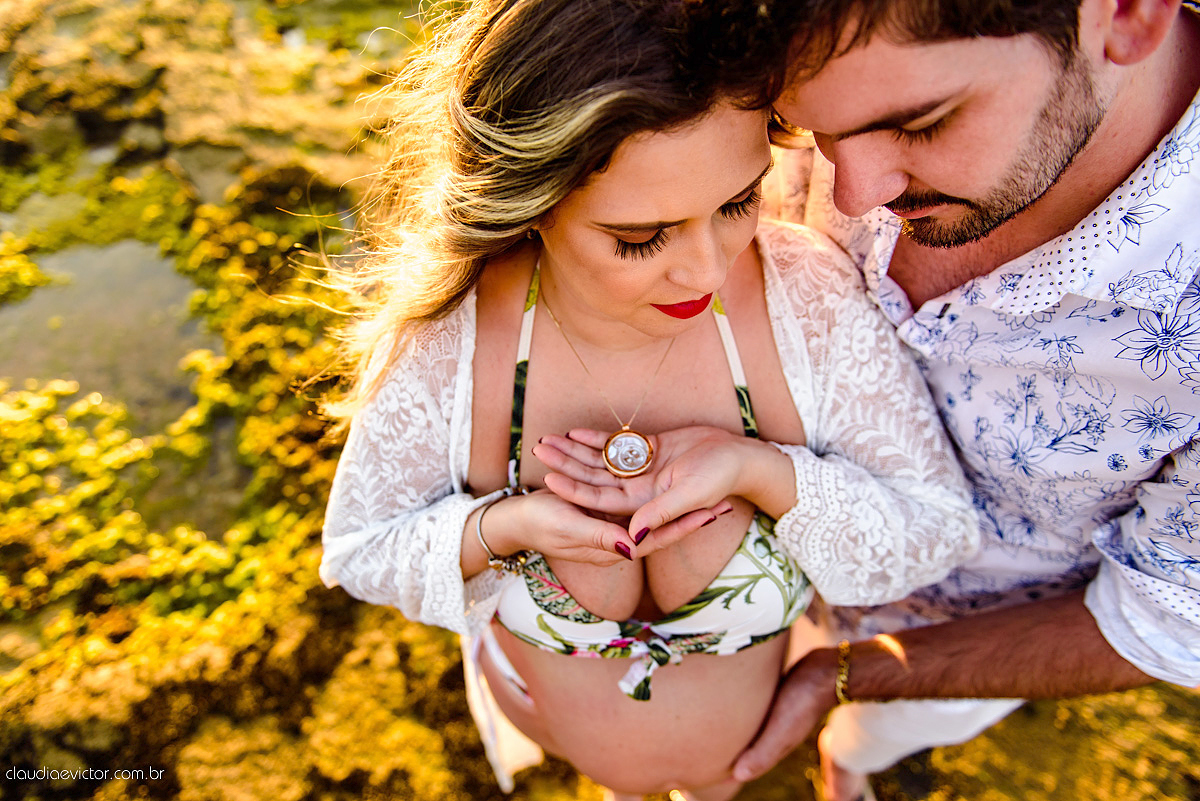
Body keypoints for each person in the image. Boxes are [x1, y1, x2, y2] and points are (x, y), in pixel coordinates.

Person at [318, 0, 979, 798]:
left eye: (737, 202)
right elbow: (359, 549)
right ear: (533, 204)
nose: (706, 270)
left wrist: (762, 471)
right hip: (570, 747)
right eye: (640, 237)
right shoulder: (458, 336)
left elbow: (936, 530)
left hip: (740, 771)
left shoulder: (801, 298)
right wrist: (506, 528)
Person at [674, 0, 1200, 798]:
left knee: (868, 736)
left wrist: (840, 676)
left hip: (942, 635)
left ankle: (848, 761)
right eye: (799, 127)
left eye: (920, 123)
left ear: (1125, 16)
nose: (854, 194)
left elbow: (1164, 619)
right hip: (743, 544)